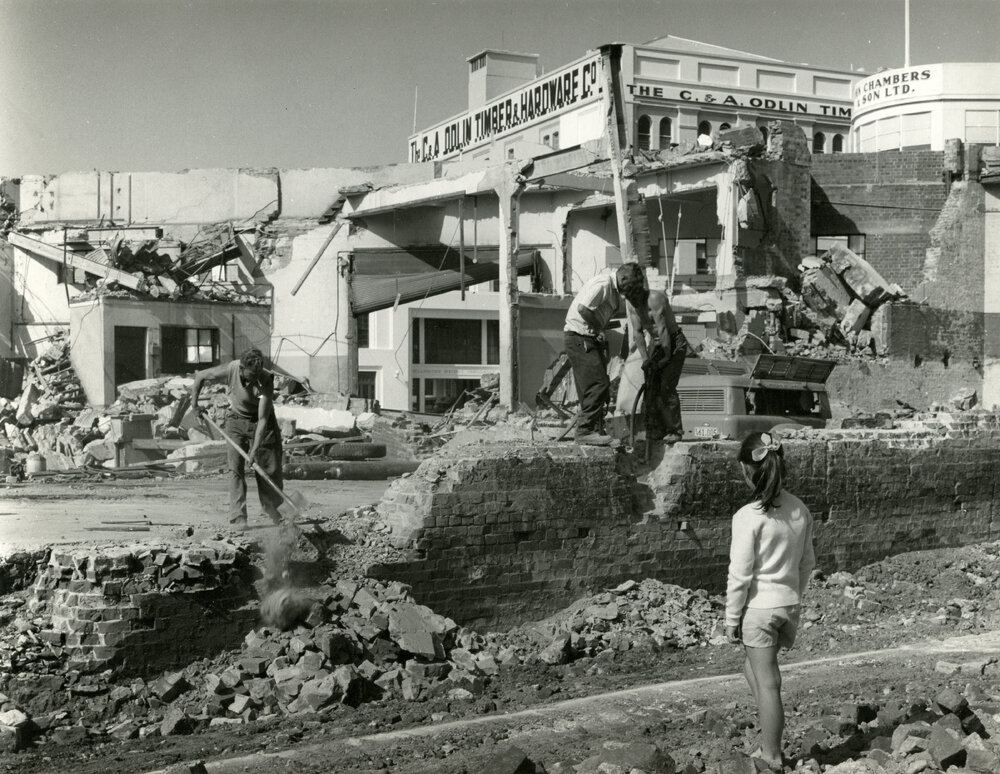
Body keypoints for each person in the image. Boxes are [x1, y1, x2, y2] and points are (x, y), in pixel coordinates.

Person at [726, 432, 816, 771]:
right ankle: (770, 717)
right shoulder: (799, 509)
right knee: (753, 670)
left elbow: (740, 574)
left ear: (746, 471)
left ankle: (772, 756)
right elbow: (807, 563)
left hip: (759, 610)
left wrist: (731, 618)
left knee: (768, 682)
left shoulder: (747, 516)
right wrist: (793, 597)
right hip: (787, 606)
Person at [191, 348, 284, 529]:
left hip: (261, 422)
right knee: (235, 469)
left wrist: (254, 449)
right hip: (236, 420)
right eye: (252, 375)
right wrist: (194, 405)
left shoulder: (265, 379)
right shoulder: (232, 368)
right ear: (242, 369)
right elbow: (200, 376)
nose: (256, 379)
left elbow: (263, 419)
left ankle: (273, 510)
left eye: (258, 375)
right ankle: (238, 517)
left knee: (269, 469)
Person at [563, 263, 647, 445]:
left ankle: (593, 430)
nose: (631, 290)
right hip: (579, 337)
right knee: (598, 384)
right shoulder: (603, 284)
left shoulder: (614, 291)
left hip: (587, 338)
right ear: (623, 278)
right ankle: (585, 431)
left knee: (591, 387)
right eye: (631, 285)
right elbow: (583, 309)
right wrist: (598, 328)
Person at [635, 285, 688, 444]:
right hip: (655, 343)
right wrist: (645, 359)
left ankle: (674, 430)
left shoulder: (654, 299)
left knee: (666, 385)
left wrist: (666, 357)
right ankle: (655, 430)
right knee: (651, 387)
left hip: (673, 341)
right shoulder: (631, 305)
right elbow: (637, 332)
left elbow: (663, 329)